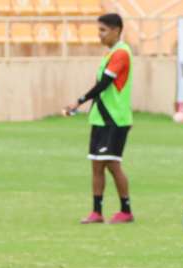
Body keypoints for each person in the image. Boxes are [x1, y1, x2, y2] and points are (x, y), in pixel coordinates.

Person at [64, 13, 134, 225]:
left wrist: (79, 101)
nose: (100, 35)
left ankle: (126, 210)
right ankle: (97, 212)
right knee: (96, 165)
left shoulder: (121, 53)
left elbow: (104, 84)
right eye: (99, 30)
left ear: (116, 30)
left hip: (115, 120)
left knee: (112, 164)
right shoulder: (111, 53)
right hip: (101, 119)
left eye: (103, 30)